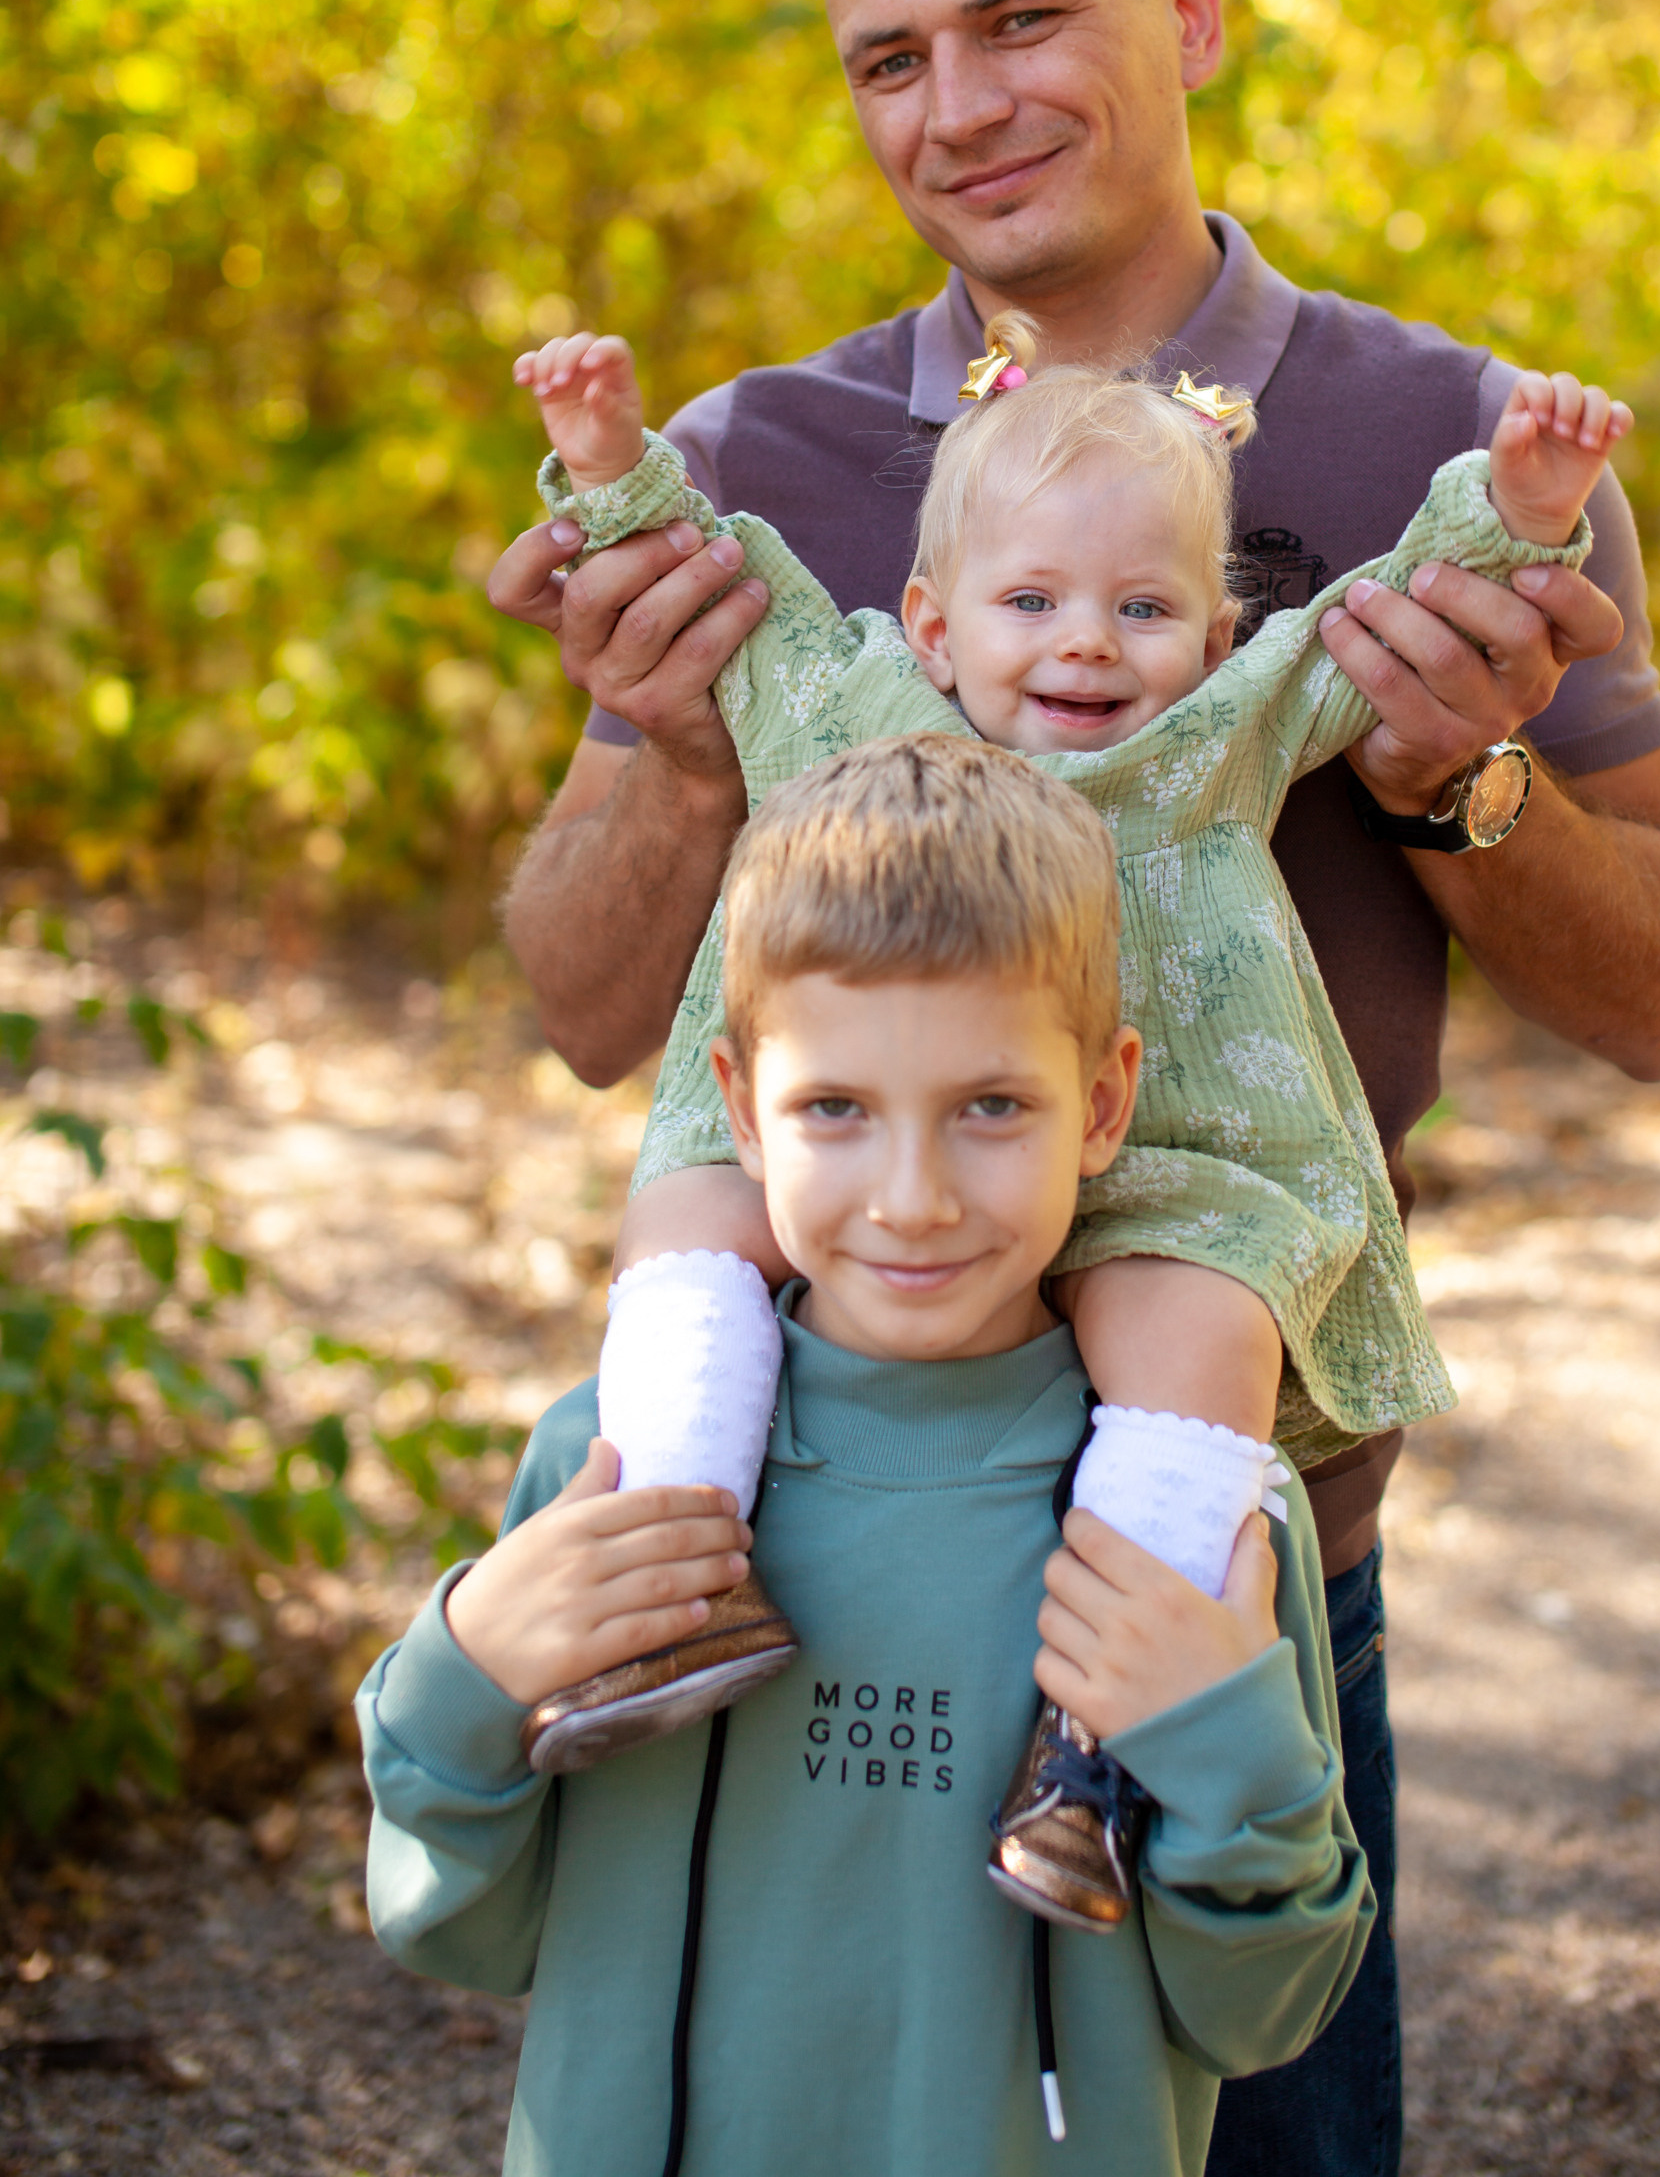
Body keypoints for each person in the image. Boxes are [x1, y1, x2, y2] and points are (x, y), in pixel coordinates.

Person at [487, 0, 1660, 2177]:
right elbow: (577, 1009)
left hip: (1229, 1568)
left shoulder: (1457, 439)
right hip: (802, 1561)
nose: (955, 107)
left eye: (1019, 21)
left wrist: (1456, 783)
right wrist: (674, 760)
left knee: (1250, 2123)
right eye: (888, 58)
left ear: (1182, 13)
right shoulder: (752, 463)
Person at [506, 314, 1624, 1942]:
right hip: (860, 1155)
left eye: (1143, 609)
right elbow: (700, 573)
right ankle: (672, 1574)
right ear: (933, 623)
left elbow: (1396, 622)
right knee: (686, 1229)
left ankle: (1096, 1745)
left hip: (1163, 1165)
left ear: (1218, 634)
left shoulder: (1217, 733)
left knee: (1204, 1341)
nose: (1088, 645)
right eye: (1031, 603)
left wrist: (1519, 511)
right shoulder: (848, 699)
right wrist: (609, 463)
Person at [360, 739, 1376, 2177]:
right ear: (740, 1105)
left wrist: (1222, 1742)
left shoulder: (1200, 1516)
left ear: (1101, 1105)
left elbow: (1262, 2014)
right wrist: (464, 1677)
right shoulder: (617, 1467)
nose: (913, 1200)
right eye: (834, 1108)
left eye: (991, 1107)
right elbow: (458, 1931)